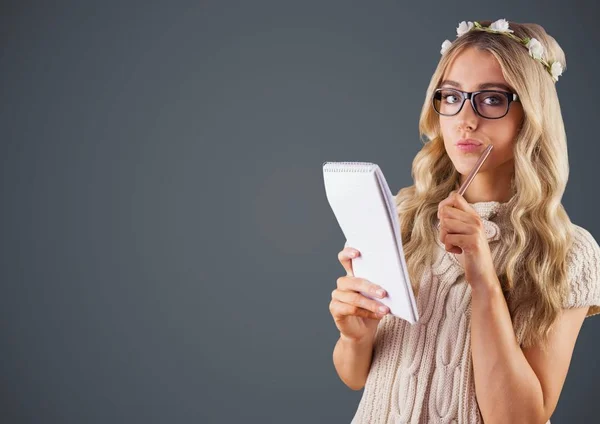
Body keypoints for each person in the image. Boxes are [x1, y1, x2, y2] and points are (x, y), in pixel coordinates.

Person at [329, 19, 600, 423]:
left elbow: (520, 418)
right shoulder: (402, 218)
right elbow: (355, 376)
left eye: (491, 99)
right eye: (452, 96)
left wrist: (482, 277)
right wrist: (355, 334)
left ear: (531, 113)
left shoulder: (567, 251)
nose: (465, 120)